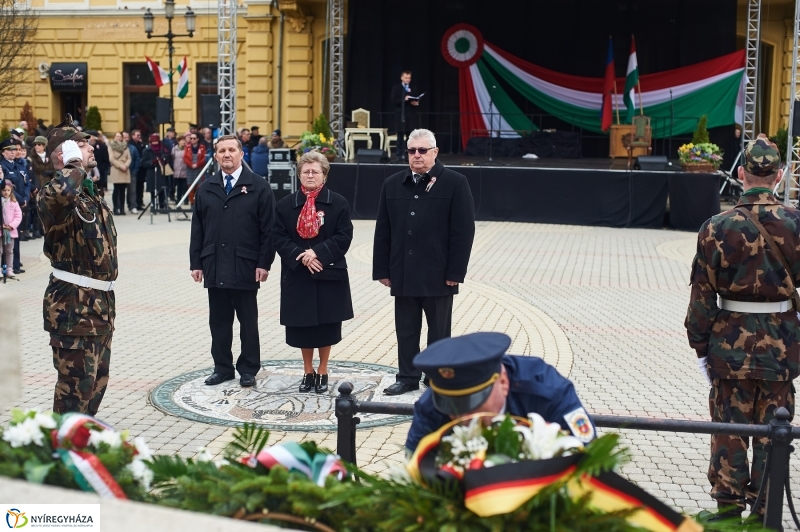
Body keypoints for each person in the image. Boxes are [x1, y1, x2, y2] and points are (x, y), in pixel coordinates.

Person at [685, 134, 800, 520]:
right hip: (782, 347)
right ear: (779, 176)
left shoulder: (716, 226)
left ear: (740, 173)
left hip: (729, 346)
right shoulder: (795, 224)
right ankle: (766, 512)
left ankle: (728, 510)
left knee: (729, 429)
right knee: (775, 431)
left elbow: (701, 296)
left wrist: (700, 345)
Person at [373, 129, 475, 396]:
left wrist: (456, 271)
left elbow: (463, 232)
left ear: (435, 152)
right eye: (411, 151)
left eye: (422, 150)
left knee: (439, 331)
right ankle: (407, 377)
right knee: (406, 330)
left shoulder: (455, 182)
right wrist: (382, 269)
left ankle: (437, 378)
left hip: (439, 273)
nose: (416, 155)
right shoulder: (393, 184)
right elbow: (383, 230)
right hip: (403, 272)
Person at [38, 114, 118, 415]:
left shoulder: (87, 195)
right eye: (83, 145)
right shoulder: (51, 195)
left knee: (95, 383)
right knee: (74, 392)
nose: (91, 148)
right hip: (73, 307)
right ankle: (61, 451)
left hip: (99, 305)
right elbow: (62, 193)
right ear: (65, 153)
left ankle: (82, 441)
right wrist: (72, 166)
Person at [406, 332, 596, 452]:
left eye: (473, 406)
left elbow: (591, 457)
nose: (464, 419)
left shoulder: (547, 392)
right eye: (453, 408)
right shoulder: (432, 404)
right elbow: (415, 467)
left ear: (503, 382)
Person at [189, 135, 276, 387]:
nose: (227, 154)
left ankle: (248, 368)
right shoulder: (206, 188)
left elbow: (268, 230)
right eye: (221, 151)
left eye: (231, 150)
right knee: (218, 321)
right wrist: (196, 263)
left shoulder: (259, 187)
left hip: (246, 267)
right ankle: (222, 368)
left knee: (248, 321)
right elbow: (198, 229)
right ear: (215, 156)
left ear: (241, 154)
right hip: (214, 265)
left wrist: (264, 263)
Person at [273, 151, 354, 394]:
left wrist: (317, 253)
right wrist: (303, 256)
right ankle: (307, 371)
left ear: (324, 176)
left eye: (315, 171)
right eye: (305, 171)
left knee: (326, 327)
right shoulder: (285, 205)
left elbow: (344, 236)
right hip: (298, 274)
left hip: (328, 273)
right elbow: (278, 237)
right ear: (299, 175)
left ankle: (323, 369)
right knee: (304, 328)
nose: (310, 175)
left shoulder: (338, 203)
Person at [390, 71, 419, 162]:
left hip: (411, 115)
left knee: (410, 137)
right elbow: (394, 100)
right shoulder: (396, 88)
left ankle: (409, 155)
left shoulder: (413, 88)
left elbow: (416, 98)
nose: (407, 80)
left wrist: (416, 102)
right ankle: (399, 155)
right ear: (402, 78)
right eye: (406, 78)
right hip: (401, 115)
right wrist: (404, 99)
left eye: (409, 78)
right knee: (400, 136)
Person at [28, 136, 52, 239]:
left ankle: (45, 229)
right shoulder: (31, 157)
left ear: (44, 146)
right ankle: (36, 230)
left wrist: (51, 172)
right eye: (35, 145)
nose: (37, 146)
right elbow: (31, 173)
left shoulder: (49, 156)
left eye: (39, 144)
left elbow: (55, 170)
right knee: (36, 209)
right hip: (37, 185)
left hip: (48, 186)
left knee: (47, 209)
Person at [140, 133, 168, 209]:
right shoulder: (146, 151)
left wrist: (164, 159)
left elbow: (168, 160)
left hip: (161, 172)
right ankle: (153, 204)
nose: (155, 143)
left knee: (161, 189)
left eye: (156, 141)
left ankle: (162, 205)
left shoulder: (162, 149)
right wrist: (152, 162)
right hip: (151, 173)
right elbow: (143, 163)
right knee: (153, 190)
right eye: (153, 141)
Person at [1, 179, 22, 278]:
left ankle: (10, 269)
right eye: (4, 190)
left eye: (8, 190)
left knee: (9, 251)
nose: (6, 192)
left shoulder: (14, 203)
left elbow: (18, 216)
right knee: (0, 251)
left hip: (10, 231)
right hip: (1, 231)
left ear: (11, 191)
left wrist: (11, 225)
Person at [108, 132, 131, 216]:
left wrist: (126, 165)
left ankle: (122, 208)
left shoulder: (125, 146)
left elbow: (129, 158)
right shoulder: (111, 146)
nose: (119, 138)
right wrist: (120, 165)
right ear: (114, 137)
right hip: (116, 169)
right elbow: (111, 158)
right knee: (116, 190)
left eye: (120, 136)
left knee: (123, 191)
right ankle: (115, 208)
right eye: (117, 136)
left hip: (125, 169)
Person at [126, 130, 141, 213]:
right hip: (121, 172)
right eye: (124, 137)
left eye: (127, 137)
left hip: (131, 172)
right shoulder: (117, 147)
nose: (126, 139)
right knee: (120, 190)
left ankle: (133, 206)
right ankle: (119, 207)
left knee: (132, 190)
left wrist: (135, 170)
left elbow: (137, 159)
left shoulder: (133, 148)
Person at [171, 135, 188, 202]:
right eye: (182, 141)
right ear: (178, 142)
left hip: (185, 170)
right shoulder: (174, 149)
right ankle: (178, 199)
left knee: (185, 186)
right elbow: (172, 158)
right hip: (177, 170)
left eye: (184, 141)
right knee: (178, 186)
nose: (183, 142)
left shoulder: (187, 149)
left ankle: (186, 200)